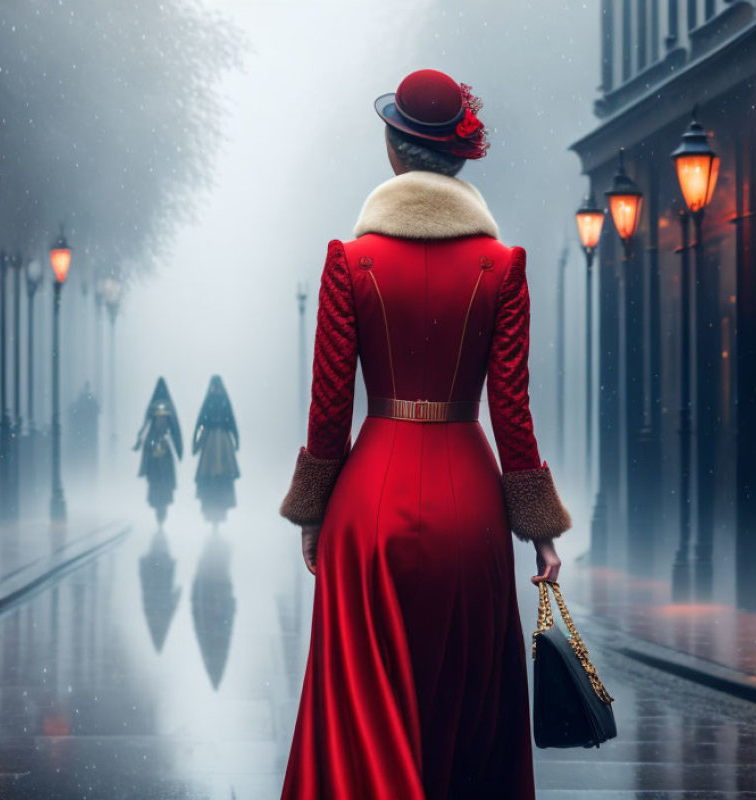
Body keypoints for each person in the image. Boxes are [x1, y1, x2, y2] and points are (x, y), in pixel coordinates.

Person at [279, 69, 570, 799]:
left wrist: (314, 510)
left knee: (363, 710)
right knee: (462, 709)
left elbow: (329, 406)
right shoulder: (500, 267)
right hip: (468, 508)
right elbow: (512, 409)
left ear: (394, 151)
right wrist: (538, 529)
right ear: (460, 157)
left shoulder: (351, 262)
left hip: (368, 506)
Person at [133, 377, 183, 526]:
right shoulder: (167, 406)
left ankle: (159, 505)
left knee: (157, 476)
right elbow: (174, 429)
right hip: (161, 445)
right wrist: (179, 449)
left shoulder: (154, 405)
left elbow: (147, 425)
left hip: (155, 443)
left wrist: (139, 440)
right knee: (160, 476)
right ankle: (161, 506)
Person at [192, 375, 240, 525]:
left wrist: (236, 439)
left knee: (221, 475)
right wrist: (196, 441)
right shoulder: (209, 402)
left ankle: (219, 506)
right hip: (211, 442)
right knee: (210, 475)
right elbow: (200, 422)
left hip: (222, 443)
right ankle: (211, 507)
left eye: (217, 386)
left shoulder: (223, 401)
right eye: (214, 386)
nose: (216, 389)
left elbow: (231, 421)